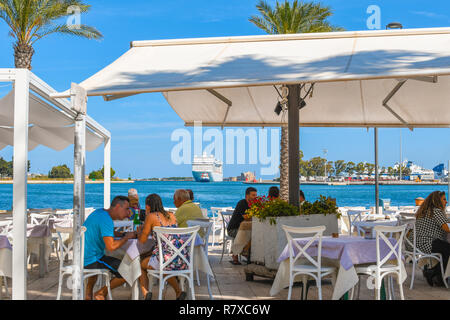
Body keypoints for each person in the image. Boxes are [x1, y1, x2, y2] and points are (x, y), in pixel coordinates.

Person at [83, 196, 137, 300]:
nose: (128, 213)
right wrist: (126, 237)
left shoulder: (99, 213)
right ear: (117, 206)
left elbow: (106, 231)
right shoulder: (106, 220)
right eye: (126, 209)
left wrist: (122, 234)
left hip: (84, 255)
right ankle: (100, 293)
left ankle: (88, 295)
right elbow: (111, 247)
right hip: (92, 259)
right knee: (129, 271)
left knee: (111, 259)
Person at [137, 194, 187, 300]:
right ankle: (178, 292)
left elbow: (142, 240)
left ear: (148, 206)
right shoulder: (171, 215)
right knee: (162, 262)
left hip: (165, 260)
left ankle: (146, 293)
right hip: (181, 259)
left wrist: (139, 231)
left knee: (139, 264)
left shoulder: (151, 216)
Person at [408, 191, 449, 287]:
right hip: (425, 242)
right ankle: (434, 274)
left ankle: (437, 275)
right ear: (437, 201)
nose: (446, 202)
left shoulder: (426, 210)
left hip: (413, 243)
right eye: (444, 199)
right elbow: (447, 228)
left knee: (446, 249)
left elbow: (444, 223)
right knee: (447, 249)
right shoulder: (436, 211)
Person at [227, 187, 257, 265]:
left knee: (255, 235)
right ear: (247, 196)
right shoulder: (242, 203)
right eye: (253, 195)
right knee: (247, 234)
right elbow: (246, 217)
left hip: (245, 229)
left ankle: (247, 254)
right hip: (233, 229)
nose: (255, 197)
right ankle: (238, 255)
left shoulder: (254, 205)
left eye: (255, 195)